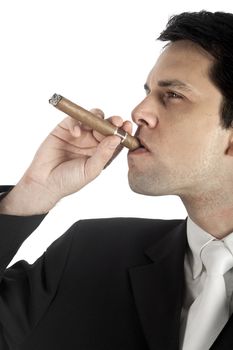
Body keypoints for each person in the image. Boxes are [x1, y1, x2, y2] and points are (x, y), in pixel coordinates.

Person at [0, 10, 233, 350]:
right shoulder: (87, 254)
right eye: (148, 92)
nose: (139, 111)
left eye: (173, 96)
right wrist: (28, 196)